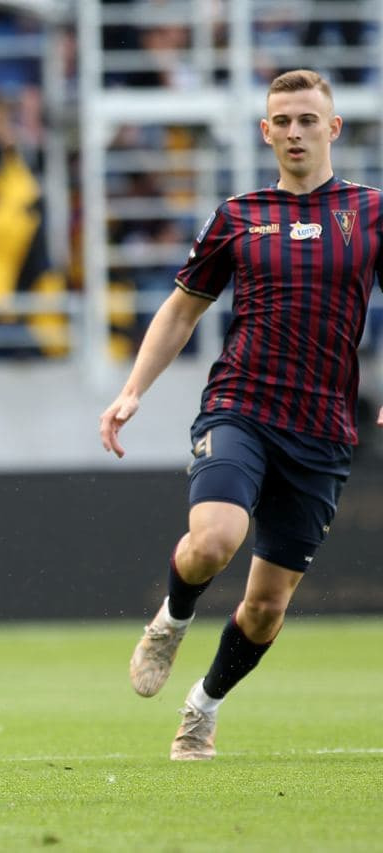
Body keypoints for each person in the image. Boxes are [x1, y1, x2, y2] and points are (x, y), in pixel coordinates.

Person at [99, 69, 383, 761]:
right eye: (282, 121)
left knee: (264, 607)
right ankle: (171, 621)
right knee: (212, 541)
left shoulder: (371, 211)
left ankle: (203, 706)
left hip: (322, 431)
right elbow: (181, 310)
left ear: (333, 128)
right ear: (265, 131)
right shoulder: (238, 216)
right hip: (241, 406)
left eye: (307, 120)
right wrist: (133, 389)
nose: (294, 132)